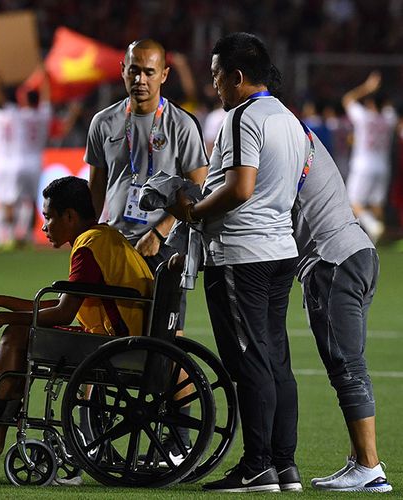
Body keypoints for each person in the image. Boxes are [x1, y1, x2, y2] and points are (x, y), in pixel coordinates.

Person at [166, 32, 303, 492]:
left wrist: (194, 211)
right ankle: (285, 465)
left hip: (242, 256)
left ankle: (258, 464)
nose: (214, 88)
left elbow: (241, 187)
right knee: (276, 359)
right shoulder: (288, 117)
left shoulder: (243, 118)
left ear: (238, 77)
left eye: (217, 78)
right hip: (281, 250)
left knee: (249, 362)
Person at [0, 176, 153, 459]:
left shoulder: (88, 247)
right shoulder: (105, 238)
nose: (43, 226)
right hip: (132, 341)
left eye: (48, 217)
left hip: (116, 348)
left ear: (69, 216)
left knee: (17, 335)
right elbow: (69, 303)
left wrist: (6, 317)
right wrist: (0, 302)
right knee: (20, 333)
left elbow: (64, 313)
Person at [85, 38, 208, 457]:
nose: (140, 79)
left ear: (164, 75)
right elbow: (97, 184)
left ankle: (179, 435)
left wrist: (162, 228)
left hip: (165, 251)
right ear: (122, 69)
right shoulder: (103, 122)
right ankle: (96, 430)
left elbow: (199, 188)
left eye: (149, 71)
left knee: (166, 341)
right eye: (134, 69)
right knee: (103, 336)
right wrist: (95, 233)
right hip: (115, 247)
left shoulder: (181, 125)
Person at [293, 126, 392, 493]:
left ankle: (369, 467)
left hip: (332, 260)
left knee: (346, 366)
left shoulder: (273, 139)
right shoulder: (305, 139)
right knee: (352, 362)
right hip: (359, 251)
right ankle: (361, 462)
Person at [0, 61, 52, 251]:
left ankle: (5, 237)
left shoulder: (14, 115)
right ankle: (27, 236)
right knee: (29, 201)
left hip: (6, 162)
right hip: (35, 162)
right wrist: (44, 77)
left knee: (6, 201)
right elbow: (46, 100)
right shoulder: (40, 115)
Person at [341, 71, 398, 243]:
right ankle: (376, 238)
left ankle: (373, 227)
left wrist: (367, 87)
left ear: (371, 103)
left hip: (363, 165)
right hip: (382, 166)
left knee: (353, 202)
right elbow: (387, 105)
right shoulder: (390, 118)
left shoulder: (364, 117)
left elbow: (347, 99)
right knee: (376, 203)